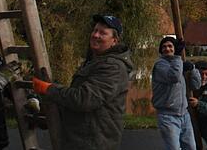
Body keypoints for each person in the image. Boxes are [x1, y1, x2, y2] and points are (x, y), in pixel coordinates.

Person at [31, 14, 133, 150]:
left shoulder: (112, 67)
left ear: (114, 41)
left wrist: (49, 89)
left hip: (93, 143)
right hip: (81, 140)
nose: (96, 35)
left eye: (103, 33)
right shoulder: (96, 62)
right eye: (95, 30)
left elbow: (84, 99)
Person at [152, 36, 201, 150]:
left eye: (170, 46)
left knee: (191, 148)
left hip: (184, 115)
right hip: (167, 116)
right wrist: (178, 57)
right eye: (164, 47)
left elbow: (196, 85)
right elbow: (173, 77)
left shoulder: (178, 64)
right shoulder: (160, 65)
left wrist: (193, 69)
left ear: (174, 48)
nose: (167, 49)